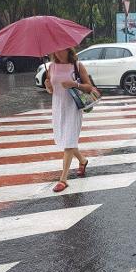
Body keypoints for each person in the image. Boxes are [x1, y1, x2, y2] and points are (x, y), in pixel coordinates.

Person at [44, 48, 98, 193]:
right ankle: (83, 161)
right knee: (67, 140)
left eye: (61, 51)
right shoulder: (51, 67)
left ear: (69, 50)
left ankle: (63, 180)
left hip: (73, 108)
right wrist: (48, 86)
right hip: (58, 108)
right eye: (55, 51)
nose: (58, 53)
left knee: (68, 143)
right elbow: (51, 90)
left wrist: (75, 84)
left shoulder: (77, 65)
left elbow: (89, 87)